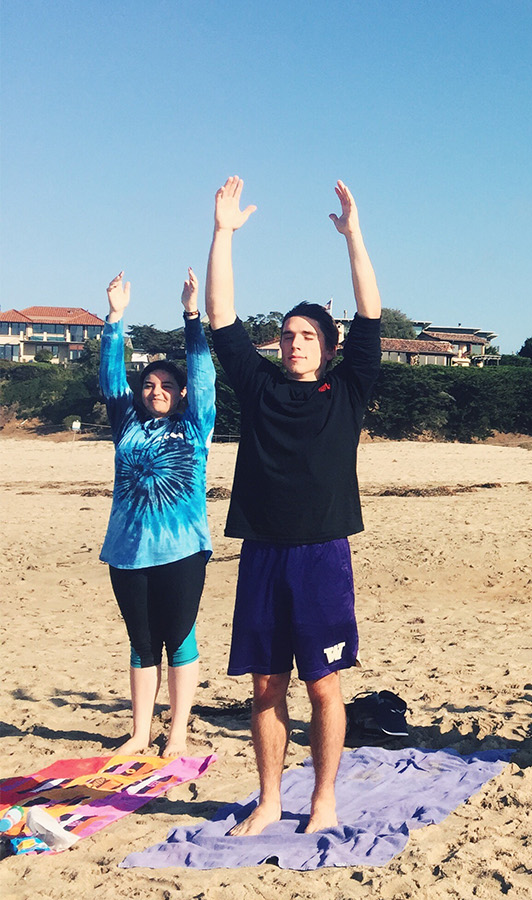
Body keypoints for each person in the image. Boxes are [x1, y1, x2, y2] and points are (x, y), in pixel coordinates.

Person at [204, 176, 383, 834]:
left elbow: (370, 315)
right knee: (264, 686)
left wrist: (353, 235)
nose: (294, 341)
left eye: (307, 335)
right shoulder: (260, 387)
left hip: (322, 555)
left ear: (328, 348)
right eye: (287, 334)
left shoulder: (348, 388)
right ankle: (271, 797)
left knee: (324, 685)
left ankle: (324, 798)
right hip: (263, 554)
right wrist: (223, 234)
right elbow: (222, 320)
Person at [99, 268, 215, 758]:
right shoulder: (126, 424)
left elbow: (204, 374)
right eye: (149, 383)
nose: (157, 390)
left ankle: (179, 731)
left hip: (183, 551)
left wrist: (192, 317)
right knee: (141, 642)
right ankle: (140, 732)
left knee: (179, 638)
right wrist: (115, 320)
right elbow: (109, 379)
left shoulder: (195, 427)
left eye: (167, 384)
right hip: (127, 552)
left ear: (181, 392)